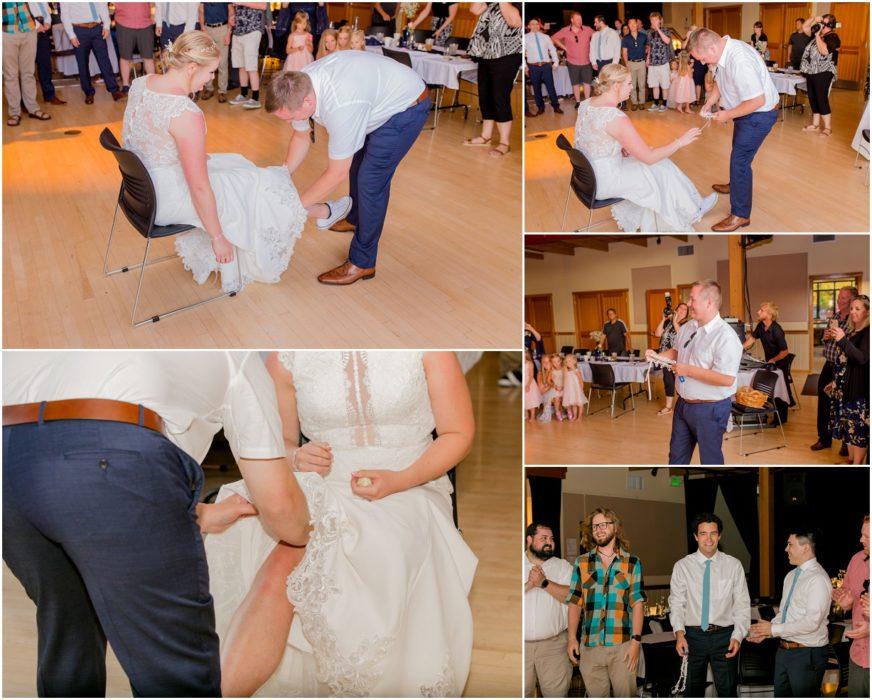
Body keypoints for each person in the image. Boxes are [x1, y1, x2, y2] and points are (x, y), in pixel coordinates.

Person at [2, 351, 311, 696]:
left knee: (70, 642)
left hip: (10, 461)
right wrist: (313, 530)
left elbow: (67, 460)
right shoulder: (239, 357)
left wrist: (201, 516)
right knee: (175, 670)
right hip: (107, 453)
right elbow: (279, 505)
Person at [205, 351, 478, 696]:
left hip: (413, 485)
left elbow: (458, 433)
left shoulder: (428, 345)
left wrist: (399, 479)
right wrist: (297, 456)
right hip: (324, 486)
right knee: (278, 561)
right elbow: (283, 443)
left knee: (378, 546)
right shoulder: (287, 355)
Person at [122, 31, 309, 292]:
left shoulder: (141, 83)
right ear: (190, 68)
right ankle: (231, 267)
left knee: (237, 162)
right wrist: (217, 238)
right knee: (248, 184)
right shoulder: (185, 113)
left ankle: (299, 209)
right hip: (164, 199)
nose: (211, 79)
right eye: (210, 72)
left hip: (138, 191)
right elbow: (198, 187)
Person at [265, 50, 430, 285]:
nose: (290, 122)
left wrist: (294, 209)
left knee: (369, 181)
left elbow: (336, 173)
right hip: (374, 95)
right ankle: (355, 218)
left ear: (308, 102)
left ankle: (363, 263)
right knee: (356, 167)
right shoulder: (299, 85)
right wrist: (282, 174)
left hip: (405, 108)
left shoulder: (341, 105)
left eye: (290, 117)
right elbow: (301, 137)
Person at [573, 64, 718, 232]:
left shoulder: (586, 104)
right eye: (628, 83)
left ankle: (694, 206)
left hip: (586, 176)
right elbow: (648, 157)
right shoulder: (615, 117)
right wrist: (679, 142)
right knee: (656, 165)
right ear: (615, 86)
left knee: (660, 164)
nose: (631, 88)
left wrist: (616, 147)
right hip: (605, 181)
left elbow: (591, 137)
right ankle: (691, 210)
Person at [688, 28, 780, 232]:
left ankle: (740, 215)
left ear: (712, 47)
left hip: (759, 114)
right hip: (745, 112)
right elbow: (721, 81)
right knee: (737, 154)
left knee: (740, 160)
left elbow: (757, 100)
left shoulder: (739, 60)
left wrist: (727, 114)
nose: (702, 63)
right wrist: (710, 102)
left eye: (702, 58)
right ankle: (736, 186)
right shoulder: (722, 51)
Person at [647, 280, 742, 465]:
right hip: (682, 405)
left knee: (710, 461)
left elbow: (727, 379)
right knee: (676, 459)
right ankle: (677, 490)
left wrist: (688, 370)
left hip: (710, 409)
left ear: (709, 302)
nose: (688, 304)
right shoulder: (688, 327)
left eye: (692, 299)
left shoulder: (726, 336)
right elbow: (676, 351)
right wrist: (656, 356)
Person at [669, 513, 750, 698]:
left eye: (713, 533)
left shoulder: (733, 565)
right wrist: (679, 635)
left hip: (725, 637)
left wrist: (738, 636)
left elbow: (742, 605)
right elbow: (676, 603)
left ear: (719, 536)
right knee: (691, 691)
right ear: (696, 536)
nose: (708, 539)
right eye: (703, 534)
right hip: (692, 637)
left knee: (728, 691)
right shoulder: (682, 566)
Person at [566, 508, 645, 698]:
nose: (599, 529)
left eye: (604, 525)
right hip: (590, 647)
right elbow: (575, 603)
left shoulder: (632, 562)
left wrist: (635, 643)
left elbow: (638, 604)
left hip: (623, 647)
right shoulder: (581, 563)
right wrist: (571, 639)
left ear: (615, 528)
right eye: (595, 526)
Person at [748, 530, 831, 698]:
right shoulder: (791, 575)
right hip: (784, 651)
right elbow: (785, 613)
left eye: (790, 544)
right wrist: (767, 632)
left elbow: (811, 623)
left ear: (805, 548)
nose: (786, 549)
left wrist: (773, 630)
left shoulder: (818, 579)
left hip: (807, 653)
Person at [463, 3, 523, 157]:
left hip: (507, 53)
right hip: (486, 52)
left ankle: (504, 143)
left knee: (499, 96)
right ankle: (486, 136)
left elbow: (514, 22)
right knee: (485, 94)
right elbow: (474, 9)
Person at [525, 523, 573, 697]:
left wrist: (544, 583)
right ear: (529, 540)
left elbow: (573, 597)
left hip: (554, 647)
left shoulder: (563, 567)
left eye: (551, 539)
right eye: (543, 538)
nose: (549, 542)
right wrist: (530, 584)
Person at [812, 286, 857, 453]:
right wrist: (825, 338)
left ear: (852, 300)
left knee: (842, 405)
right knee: (823, 402)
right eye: (839, 297)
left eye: (843, 298)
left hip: (844, 368)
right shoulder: (836, 317)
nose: (839, 300)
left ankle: (847, 443)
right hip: (828, 364)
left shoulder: (853, 321)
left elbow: (851, 347)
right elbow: (829, 342)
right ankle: (824, 438)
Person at [827, 295, 869, 465]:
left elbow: (862, 358)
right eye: (852, 308)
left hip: (859, 388)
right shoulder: (853, 332)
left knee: (857, 429)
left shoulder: (868, 332)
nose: (852, 312)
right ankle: (850, 459)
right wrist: (835, 382)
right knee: (848, 427)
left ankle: (857, 463)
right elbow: (845, 360)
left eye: (857, 309)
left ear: (867, 312)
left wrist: (843, 340)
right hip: (845, 387)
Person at [832, 516, 870, 698]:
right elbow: (847, 593)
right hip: (858, 654)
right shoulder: (856, 560)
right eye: (862, 535)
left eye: (867, 536)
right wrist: (845, 602)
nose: (861, 540)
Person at [60, 2, 125, 104]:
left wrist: (107, 26)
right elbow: (65, 15)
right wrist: (71, 35)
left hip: (97, 28)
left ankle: (114, 90)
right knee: (82, 64)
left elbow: (102, 6)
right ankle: (88, 92)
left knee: (105, 61)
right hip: (79, 30)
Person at [3, 1, 52, 126]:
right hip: (6, 32)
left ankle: (33, 108)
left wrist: (38, 23)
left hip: (29, 30)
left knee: (29, 73)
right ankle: (14, 112)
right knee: (11, 75)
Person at [743, 301, 794, 421]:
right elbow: (752, 339)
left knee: (779, 387)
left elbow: (785, 351)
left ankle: (781, 418)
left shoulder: (777, 330)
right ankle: (766, 411)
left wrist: (773, 360)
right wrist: (740, 347)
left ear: (769, 314)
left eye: (762, 310)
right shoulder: (761, 326)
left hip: (780, 362)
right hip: (770, 362)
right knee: (767, 385)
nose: (758, 312)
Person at [799, 14, 841, 138]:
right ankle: (815, 124)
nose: (821, 24)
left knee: (821, 98)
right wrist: (813, 18)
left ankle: (828, 128)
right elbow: (805, 26)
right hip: (812, 71)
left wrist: (817, 35)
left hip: (824, 72)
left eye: (824, 22)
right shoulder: (818, 34)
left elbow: (824, 51)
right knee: (812, 97)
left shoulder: (833, 37)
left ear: (830, 25)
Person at [228, 2, 267, 109]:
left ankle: (255, 98)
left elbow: (264, 5)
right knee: (242, 66)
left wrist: (241, 2)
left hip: (253, 30)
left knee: (251, 66)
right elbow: (234, 7)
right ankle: (243, 94)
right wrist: (232, 17)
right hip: (238, 31)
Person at [551, 12, 593, 108]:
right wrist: (564, 47)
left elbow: (597, 36)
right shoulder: (565, 30)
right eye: (577, 19)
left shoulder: (587, 29)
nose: (580, 21)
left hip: (586, 61)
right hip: (572, 62)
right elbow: (553, 38)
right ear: (572, 20)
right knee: (575, 83)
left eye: (581, 19)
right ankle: (578, 102)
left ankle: (587, 102)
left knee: (587, 83)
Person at [653, 301, 689, 415]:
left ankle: (685, 405)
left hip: (677, 357)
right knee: (668, 381)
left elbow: (682, 335)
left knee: (681, 381)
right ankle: (668, 407)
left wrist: (674, 321)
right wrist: (663, 319)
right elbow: (657, 334)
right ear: (676, 310)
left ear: (687, 313)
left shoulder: (686, 324)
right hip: (665, 357)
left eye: (685, 309)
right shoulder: (668, 322)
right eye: (680, 308)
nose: (682, 311)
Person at [114, 2, 156, 92]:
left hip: (145, 23)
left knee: (148, 56)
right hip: (123, 23)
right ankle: (125, 86)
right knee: (125, 57)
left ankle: (153, 85)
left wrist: (154, 17)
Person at [524, 17, 561, 117]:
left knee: (551, 87)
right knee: (536, 88)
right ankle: (540, 107)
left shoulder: (546, 37)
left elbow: (552, 50)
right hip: (533, 67)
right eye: (532, 24)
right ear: (528, 26)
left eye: (536, 24)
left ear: (539, 25)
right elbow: (521, 53)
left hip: (546, 66)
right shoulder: (525, 38)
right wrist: (525, 67)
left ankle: (556, 106)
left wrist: (556, 62)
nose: (535, 26)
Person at [31, 2, 65, 106]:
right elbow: (23, 11)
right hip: (28, 27)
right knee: (27, 68)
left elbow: (46, 10)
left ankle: (49, 96)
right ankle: (27, 101)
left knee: (45, 64)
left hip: (43, 29)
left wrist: (47, 22)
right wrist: (37, 25)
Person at [199, 2, 234, 102]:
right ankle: (209, 88)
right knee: (208, 61)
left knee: (222, 62)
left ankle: (222, 91)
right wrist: (202, 28)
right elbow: (201, 12)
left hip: (222, 29)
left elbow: (231, 12)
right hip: (207, 29)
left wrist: (228, 32)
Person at [646, 12, 673, 112]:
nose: (653, 21)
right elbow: (649, 47)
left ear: (660, 20)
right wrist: (648, 58)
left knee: (665, 84)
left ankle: (664, 104)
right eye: (651, 20)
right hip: (653, 63)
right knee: (654, 84)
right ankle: (656, 103)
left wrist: (658, 29)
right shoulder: (649, 32)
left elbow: (667, 41)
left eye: (655, 19)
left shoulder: (666, 30)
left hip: (663, 62)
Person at [621, 18, 648, 111]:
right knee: (632, 85)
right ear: (628, 25)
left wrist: (647, 57)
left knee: (641, 84)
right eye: (630, 23)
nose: (632, 25)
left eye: (634, 23)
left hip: (641, 63)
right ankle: (634, 102)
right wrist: (627, 64)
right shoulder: (625, 38)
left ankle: (641, 102)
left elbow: (648, 47)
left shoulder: (644, 36)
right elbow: (624, 52)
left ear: (637, 25)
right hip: (631, 63)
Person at [525, 352, 542, 420]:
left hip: (529, 382)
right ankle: (526, 415)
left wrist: (528, 385)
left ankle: (532, 415)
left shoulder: (530, 363)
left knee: (531, 400)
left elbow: (531, 376)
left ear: (526, 354)